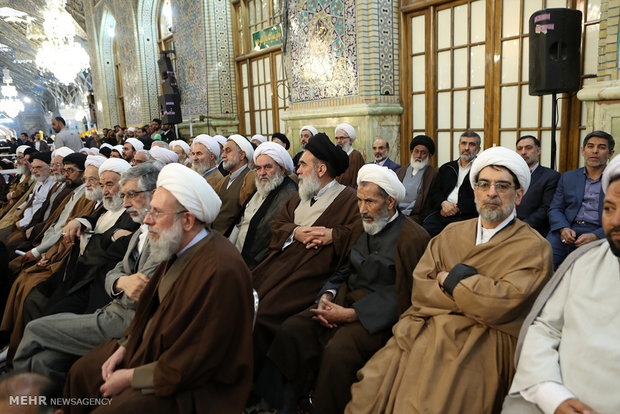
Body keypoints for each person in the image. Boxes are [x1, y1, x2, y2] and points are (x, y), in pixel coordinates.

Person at [346, 146, 553, 414]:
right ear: (475, 190)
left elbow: (502, 304)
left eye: (502, 186)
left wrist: (449, 281)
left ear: (519, 194)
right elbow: (421, 287)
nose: (492, 193)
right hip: (427, 325)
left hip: (486, 338)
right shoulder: (451, 232)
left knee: (441, 397)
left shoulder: (534, 247)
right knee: (372, 384)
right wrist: (472, 292)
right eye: (484, 184)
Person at [64, 163, 254, 414]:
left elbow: (199, 358)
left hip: (193, 384)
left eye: (156, 212)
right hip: (154, 353)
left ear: (187, 220)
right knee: (83, 372)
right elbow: (148, 310)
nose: (148, 220)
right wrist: (124, 346)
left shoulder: (220, 269)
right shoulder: (177, 246)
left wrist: (131, 377)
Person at [257, 164, 430, 414]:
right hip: (342, 300)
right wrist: (326, 296)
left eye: (369, 201)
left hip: (378, 319)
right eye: (359, 201)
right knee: (293, 329)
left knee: (338, 352)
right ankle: (279, 404)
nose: (362, 208)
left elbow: (408, 294)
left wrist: (352, 314)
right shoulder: (361, 227)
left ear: (390, 202)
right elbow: (342, 270)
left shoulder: (414, 238)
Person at [13, 162, 161, 385]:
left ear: (156, 195)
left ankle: (16, 397)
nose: (124, 199)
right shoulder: (139, 224)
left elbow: (134, 289)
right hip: (98, 293)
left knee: (36, 327)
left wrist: (116, 277)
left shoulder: (159, 231)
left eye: (129, 193)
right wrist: (120, 280)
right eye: (99, 184)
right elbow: (116, 269)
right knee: (45, 359)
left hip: (117, 314)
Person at [503, 155, 620, 414]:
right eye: (609, 208)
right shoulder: (584, 263)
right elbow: (544, 328)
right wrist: (552, 396)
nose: (615, 221)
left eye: (502, 186)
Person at [251, 133, 361, 370]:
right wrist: (296, 231)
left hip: (311, 271)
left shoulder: (349, 199)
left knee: (264, 315)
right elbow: (277, 226)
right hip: (278, 264)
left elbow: (361, 234)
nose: (298, 171)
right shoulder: (298, 197)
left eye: (302, 164)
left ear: (321, 170)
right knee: (245, 299)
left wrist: (334, 235)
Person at [546, 130, 614, 268]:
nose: (595, 151)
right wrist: (563, 227)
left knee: (588, 272)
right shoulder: (568, 177)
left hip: (599, 232)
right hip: (567, 229)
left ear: (610, 154)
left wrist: (597, 235)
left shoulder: (615, 181)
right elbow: (555, 208)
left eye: (601, 147)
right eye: (590, 146)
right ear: (583, 151)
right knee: (543, 264)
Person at [229, 142, 297, 268]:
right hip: (235, 256)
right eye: (258, 168)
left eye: (267, 167)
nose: (262, 173)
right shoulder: (261, 187)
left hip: (261, 264)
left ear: (281, 169)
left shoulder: (290, 194)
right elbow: (240, 223)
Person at [423, 130, 481, 236]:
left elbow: (480, 197)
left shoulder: (481, 170)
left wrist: (457, 208)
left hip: (466, 216)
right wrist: (443, 203)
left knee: (454, 238)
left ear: (478, 149)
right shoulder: (447, 168)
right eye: (464, 143)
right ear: (459, 146)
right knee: (425, 231)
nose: (466, 148)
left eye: (471, 144)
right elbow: (435, 191)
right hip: (443, 212)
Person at [515, 135, 560, 236]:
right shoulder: (510, 174)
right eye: (519, 149)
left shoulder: (550, 176)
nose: (523, 152)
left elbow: (546, 208)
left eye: (528, 148)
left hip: (532, 229)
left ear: (538, 151)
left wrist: (524, 225)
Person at [212, 135, 257, 235]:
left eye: (228, 151)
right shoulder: (224, 180)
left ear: (241, 155)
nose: (223, 155)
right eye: (223, 151)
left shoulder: (251, 178)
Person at [396, 135, 438, 224]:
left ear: (429, 156)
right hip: (395, 213)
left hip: (416, 216)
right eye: (416, 151)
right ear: (412, 152)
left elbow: (428, 203)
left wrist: (406, 214)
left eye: (423, 153)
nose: (418, 156)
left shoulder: (433, 174)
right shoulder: (400, 171)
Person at [334, 123, 365, 187]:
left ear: (350, 140)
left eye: (342, 138)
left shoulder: (356, 156)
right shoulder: (334, 156)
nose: (339, 141)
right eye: (337, 138)